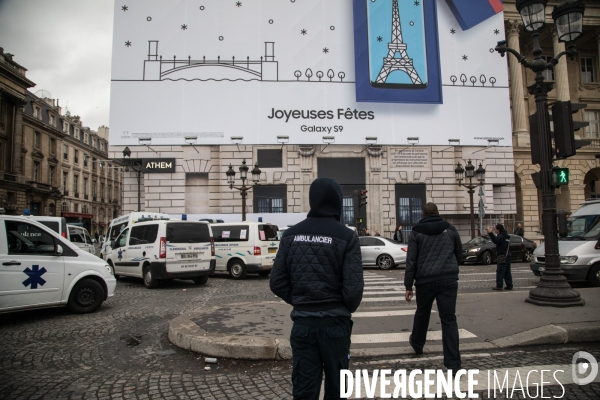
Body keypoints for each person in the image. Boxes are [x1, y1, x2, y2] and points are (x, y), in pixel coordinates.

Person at [270, 178, 364, 400]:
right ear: (338, 202)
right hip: (336, 324)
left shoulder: (291, 235)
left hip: (303, 324)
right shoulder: (347, 236)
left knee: (304, 389)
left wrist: (301, 299)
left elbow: (277, 281)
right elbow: (353, 291)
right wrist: (340, 305)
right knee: (338, 388)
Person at [404, 202, 462, 373]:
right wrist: (450, 268)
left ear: (423, 214)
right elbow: (459, 255)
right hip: (448, 279)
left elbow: (411, 261)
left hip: (425, 280)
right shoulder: (451, 229)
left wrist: (408, 285)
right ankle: (453, 363)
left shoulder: (416, 232)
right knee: (449, 319)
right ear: (438, 212)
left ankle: (417, 343)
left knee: (422, 313)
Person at [487, 224, 513, 291]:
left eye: (495, 229)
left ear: (498, 230)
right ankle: (509, 285)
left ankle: (499, 286)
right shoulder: (506, 236)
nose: (495, 230)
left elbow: (496, 240)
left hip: (502, 256)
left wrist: (490, 233)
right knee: (507, 272)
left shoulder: (501, 236)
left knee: (500, 271)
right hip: (508, 255)